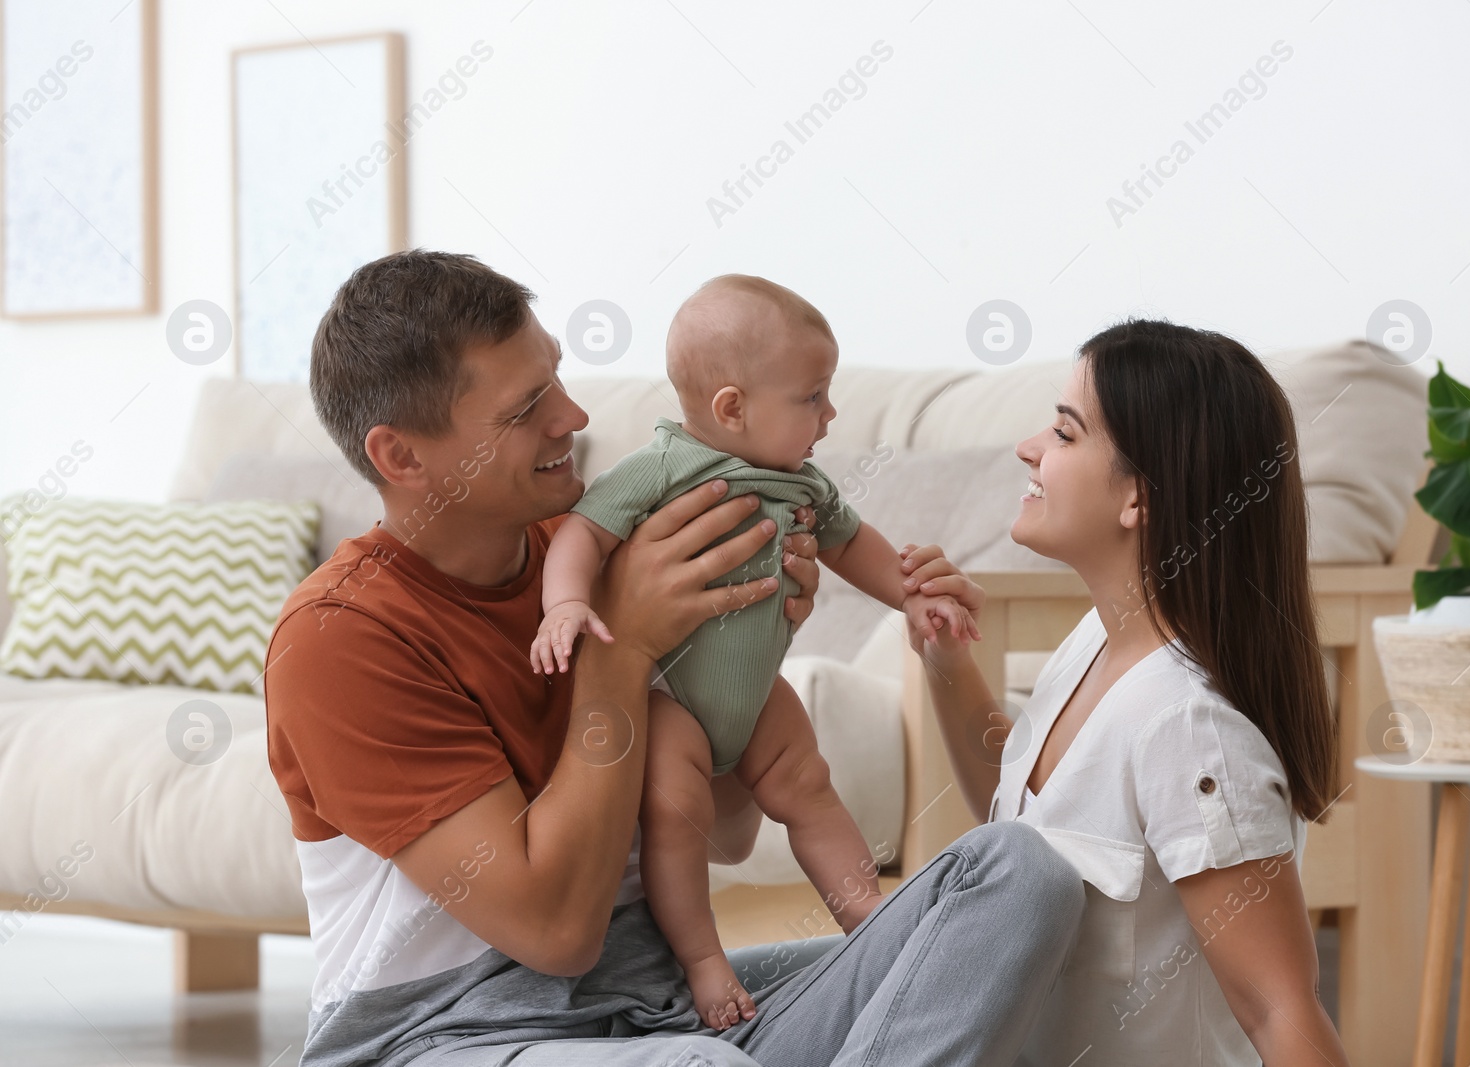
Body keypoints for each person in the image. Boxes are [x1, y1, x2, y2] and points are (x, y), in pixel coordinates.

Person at [264, 249, 1084, 1067]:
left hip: (662, 1010)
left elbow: (722, 832)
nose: (574, 417)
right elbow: (557, 931)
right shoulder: (343, 638)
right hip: (448, 1035)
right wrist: (625, 653)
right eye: (525, 410)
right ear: (401, 457)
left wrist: (743, 653)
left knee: (1015, 877)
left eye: (555, 377)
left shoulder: (598, 552)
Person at [529, 274, 978, 1030]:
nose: (831, 416)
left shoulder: (803, 480)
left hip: (755, 694)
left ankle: (866, 911)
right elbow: (584, 532)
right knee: (677, 816)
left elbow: (853, 545)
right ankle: (706, 961)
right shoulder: (663, 466)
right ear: (730, 407)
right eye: (813, 397)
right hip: (671, 700)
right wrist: (566, 602)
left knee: (808, 782)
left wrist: (911, 594)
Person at [909, 320, 1353, 1065]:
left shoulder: (1186, 724)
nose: (1029, 448)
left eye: (1063, 432)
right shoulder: (1095, 641)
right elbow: (1029, 817)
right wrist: (946, 666)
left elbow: (1279, 1008)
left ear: (1139, 498)